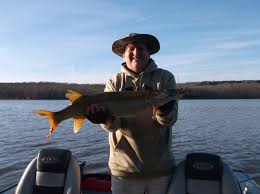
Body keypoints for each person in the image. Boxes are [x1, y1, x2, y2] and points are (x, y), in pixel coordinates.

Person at [85, 33, 178, 194]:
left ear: (148, 52)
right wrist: (104, 118)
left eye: (141, 48)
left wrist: (165, 109)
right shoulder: (114, 82)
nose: (136, 52)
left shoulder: (165, 78)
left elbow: (168, 121)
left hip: (161, 171)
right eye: (131, 48)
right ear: (123, 54)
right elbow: (113, 127)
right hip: (124, 171)